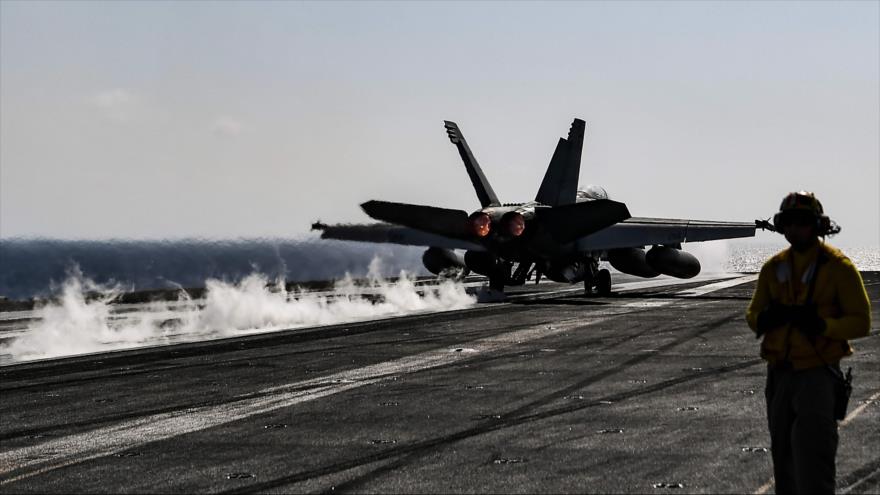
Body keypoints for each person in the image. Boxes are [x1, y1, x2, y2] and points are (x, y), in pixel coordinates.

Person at [746, 191, 871, 494]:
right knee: (784, 465)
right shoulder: (773, 267)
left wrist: (822, 326)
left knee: (814, 466)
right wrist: (766, 319)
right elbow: (754, 313)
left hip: (817, 375)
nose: (795, 229)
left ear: (817, 225)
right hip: (778, 376)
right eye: (789, 222)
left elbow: (861, 321)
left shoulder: (838, 268)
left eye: (802, 222)